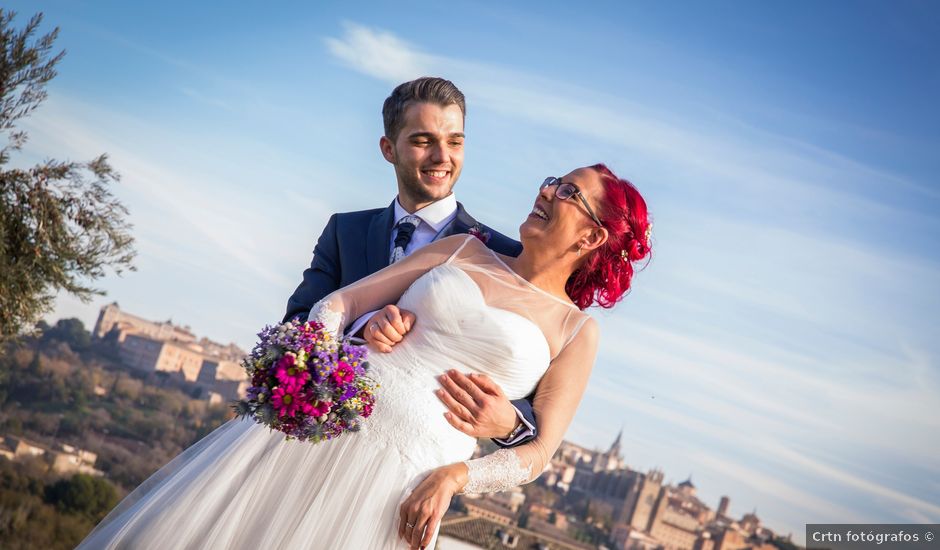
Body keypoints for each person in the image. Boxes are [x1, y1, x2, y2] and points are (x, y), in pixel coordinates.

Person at [77, 163, 652, 550]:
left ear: (593, 238)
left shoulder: (577, 332)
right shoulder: (462, 249)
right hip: (318, 435)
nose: (547, 191)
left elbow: (541, 452)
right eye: (554, 180)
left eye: (568, 192)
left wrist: (457, 477)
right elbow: (337, 303)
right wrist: (319, 379)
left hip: (403, 484)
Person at [283, 77, 539, 449]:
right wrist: (359, 327)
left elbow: (529, 373)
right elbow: (295, 326)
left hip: (412, 462)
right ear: (389, 149)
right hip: (318, 442)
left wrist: (508, 424)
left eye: (454, 142)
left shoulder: (504, 254)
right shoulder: (345, 231)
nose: (442, 157)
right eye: (423, 141)